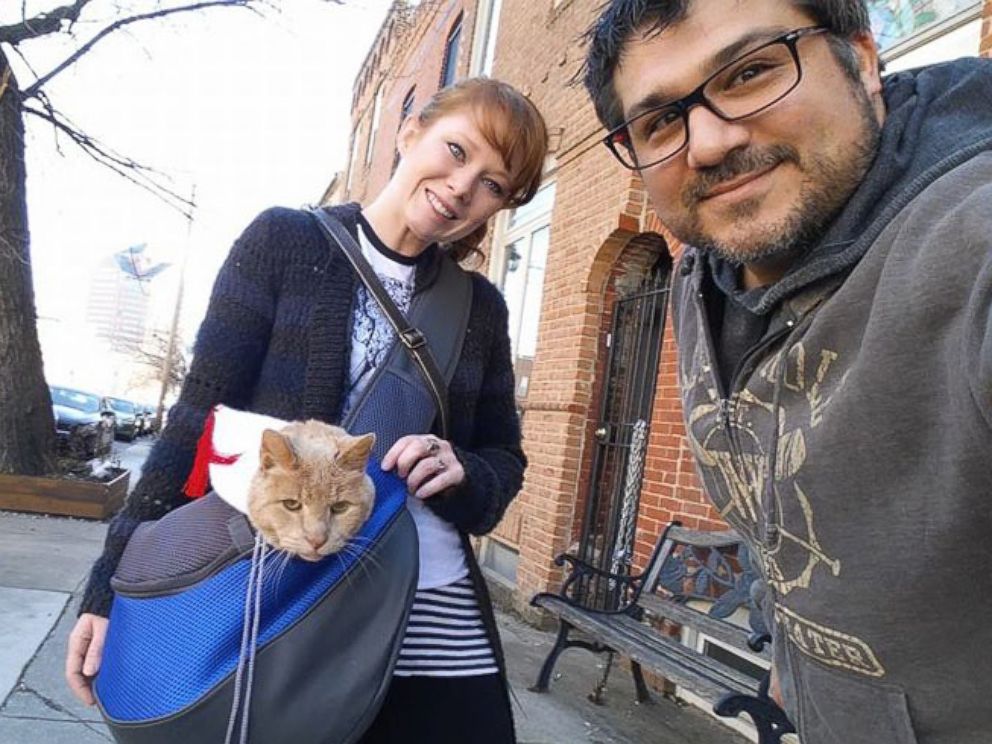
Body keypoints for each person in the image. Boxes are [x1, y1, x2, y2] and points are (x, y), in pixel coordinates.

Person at [65, 77, 548, 744]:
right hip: (282, 600)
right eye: (457, 150)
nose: (465, 187)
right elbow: (194, 422)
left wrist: (463, 470)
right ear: (410, 133)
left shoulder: (481, 308)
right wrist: (109, 588)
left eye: (494, 184)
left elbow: (502, 460)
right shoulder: (284, 243)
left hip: (430, 610)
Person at [582, 1, 991, 742]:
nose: (704, 143)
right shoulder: (703, 272)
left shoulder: (969, 237)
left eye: (749, 73)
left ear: (862, 61)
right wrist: (796, 660)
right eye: (660, 123)